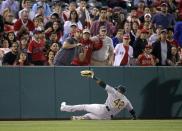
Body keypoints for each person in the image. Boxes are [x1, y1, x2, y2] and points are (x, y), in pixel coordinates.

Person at [60, 70, 136, 120]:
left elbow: (102, 84)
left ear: (119, 90)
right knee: (89, 116)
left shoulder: (114, 91)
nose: (116, 89)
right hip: (108, 117)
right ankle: (78, 118)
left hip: (103, 109)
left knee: (84, 106)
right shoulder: (126, 101)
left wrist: (93, 77)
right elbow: (132, 111)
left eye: (117, 88)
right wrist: (134, 117)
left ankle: (64, 108)